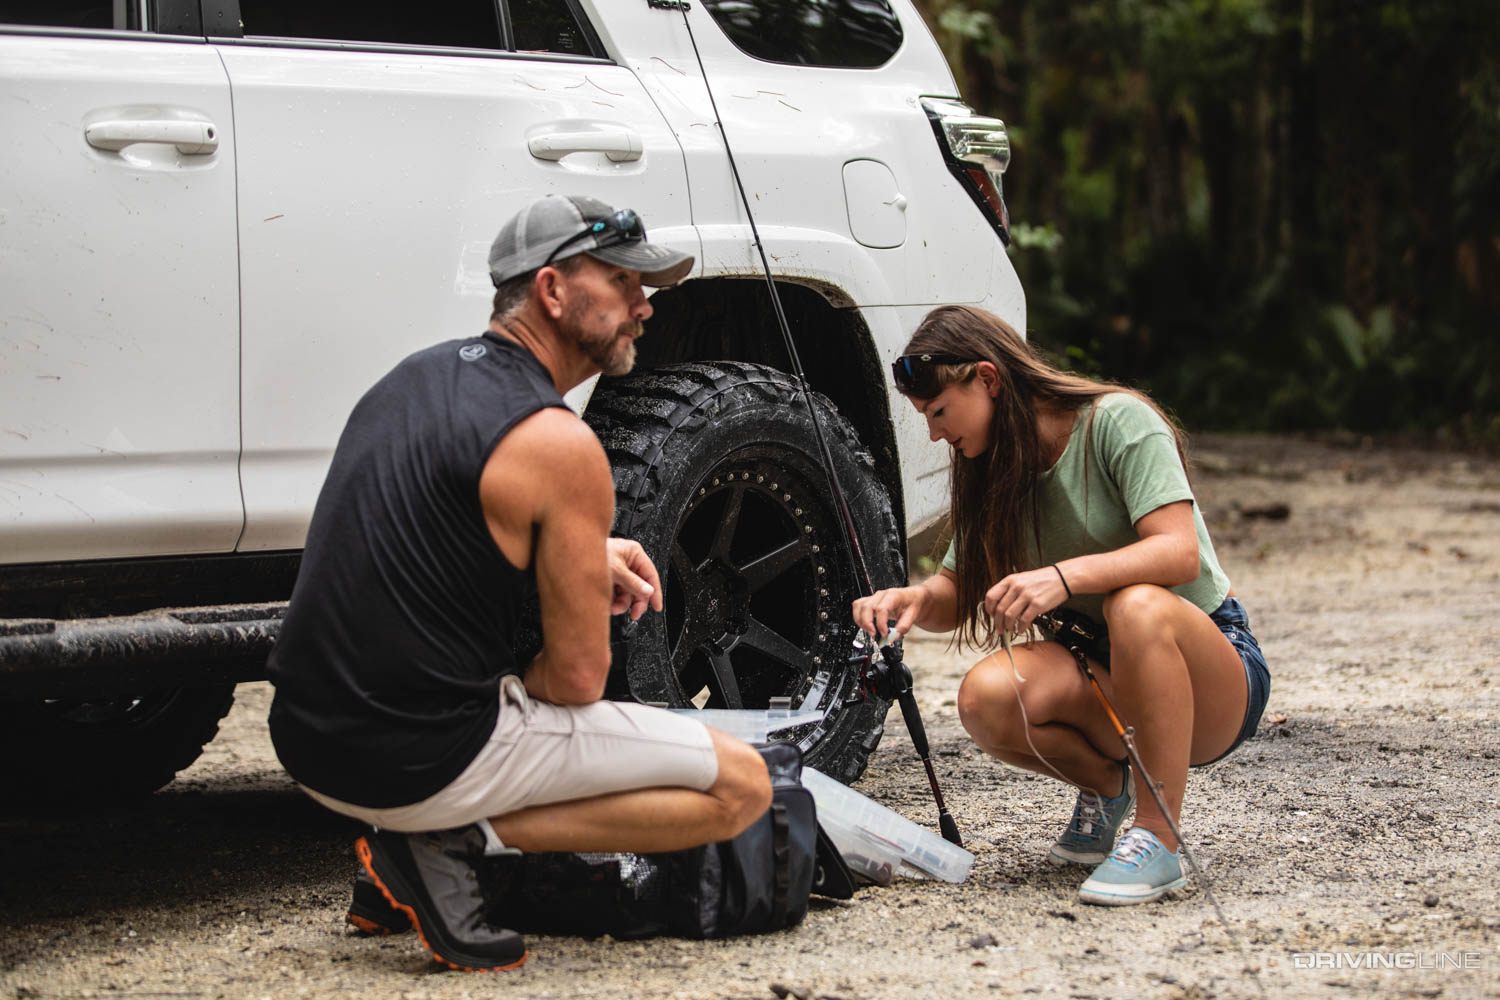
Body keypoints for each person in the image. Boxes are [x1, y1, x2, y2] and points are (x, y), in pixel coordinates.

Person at [266, 194, 772, 971]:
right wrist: (522, 670)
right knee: (742, 789)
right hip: (416, 763)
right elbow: (574, 682)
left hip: (306, 744)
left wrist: (574, 560)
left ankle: (421, 834)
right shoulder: (560, 444)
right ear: (552, 290)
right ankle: (450, 837)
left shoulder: (415, 376)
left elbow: (428, 533)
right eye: (624, 283)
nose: (645, 306)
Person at [852, 305, 1270, 906]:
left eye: (939, 412)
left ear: (988, 379)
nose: (935, 433)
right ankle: (1108, 786)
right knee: (986, 697)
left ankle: (1158, 837)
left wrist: (1061, 577)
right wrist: (913, 599)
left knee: (1137, 607)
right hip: (1105, 674)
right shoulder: (992, 466)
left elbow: (1179, 554)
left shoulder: (1118, 422)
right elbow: (956, 591)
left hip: (1210, 674)